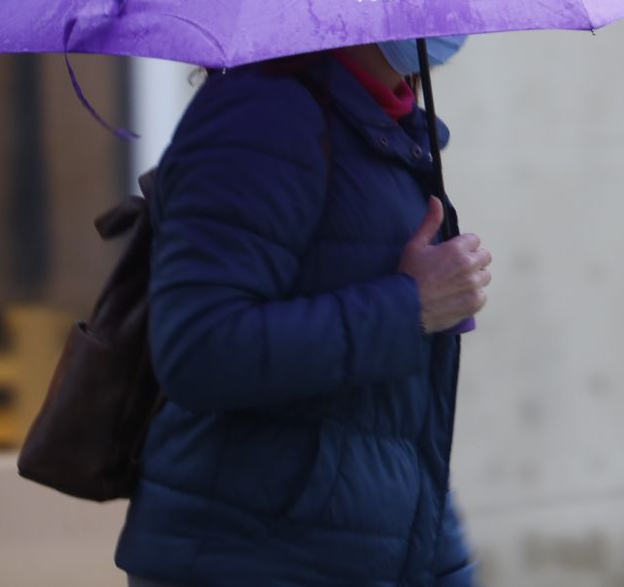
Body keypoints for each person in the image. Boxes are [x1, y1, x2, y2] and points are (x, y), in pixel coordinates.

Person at [115, 37, 492, 587]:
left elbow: (394, 429)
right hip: (250, 557)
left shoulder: (384, 121)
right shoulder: (261, 117)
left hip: (359, 550)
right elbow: (198, 349)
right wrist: (410, 305)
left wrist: (445, 565)